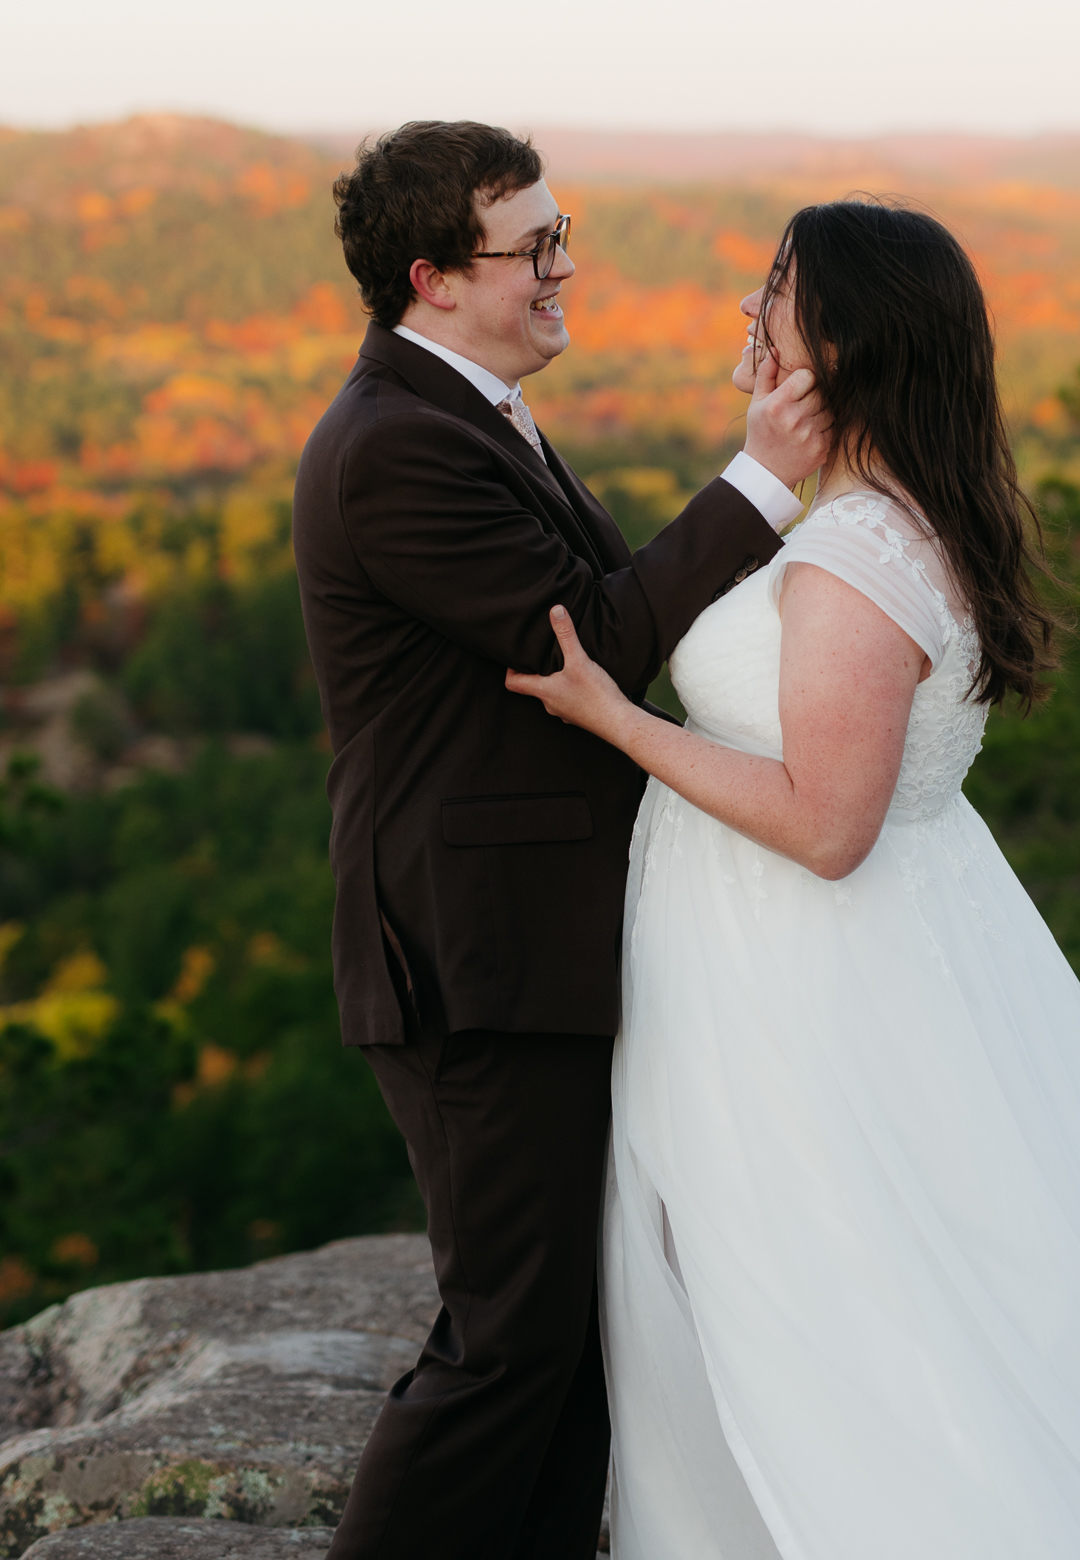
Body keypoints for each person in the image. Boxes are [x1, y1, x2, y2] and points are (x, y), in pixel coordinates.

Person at [507, 197, 1080, 1559]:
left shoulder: (853, 561)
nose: (746, 311)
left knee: (834, 1311)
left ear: (842, 339)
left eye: (773, 292)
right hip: (829, 959)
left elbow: (825, 822)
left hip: (808, 978)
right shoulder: (868, 517)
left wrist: (617, 719)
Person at [291, 121, 829, 1558]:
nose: (562, 265)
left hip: (538, 943)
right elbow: (576, 643)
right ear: (431, 278)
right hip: (470, 958)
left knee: (579, 1337)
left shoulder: (473, 413)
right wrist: (764, 484)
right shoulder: (395, 448)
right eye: (530, 247)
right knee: (509, 1341)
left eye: (558, 230)